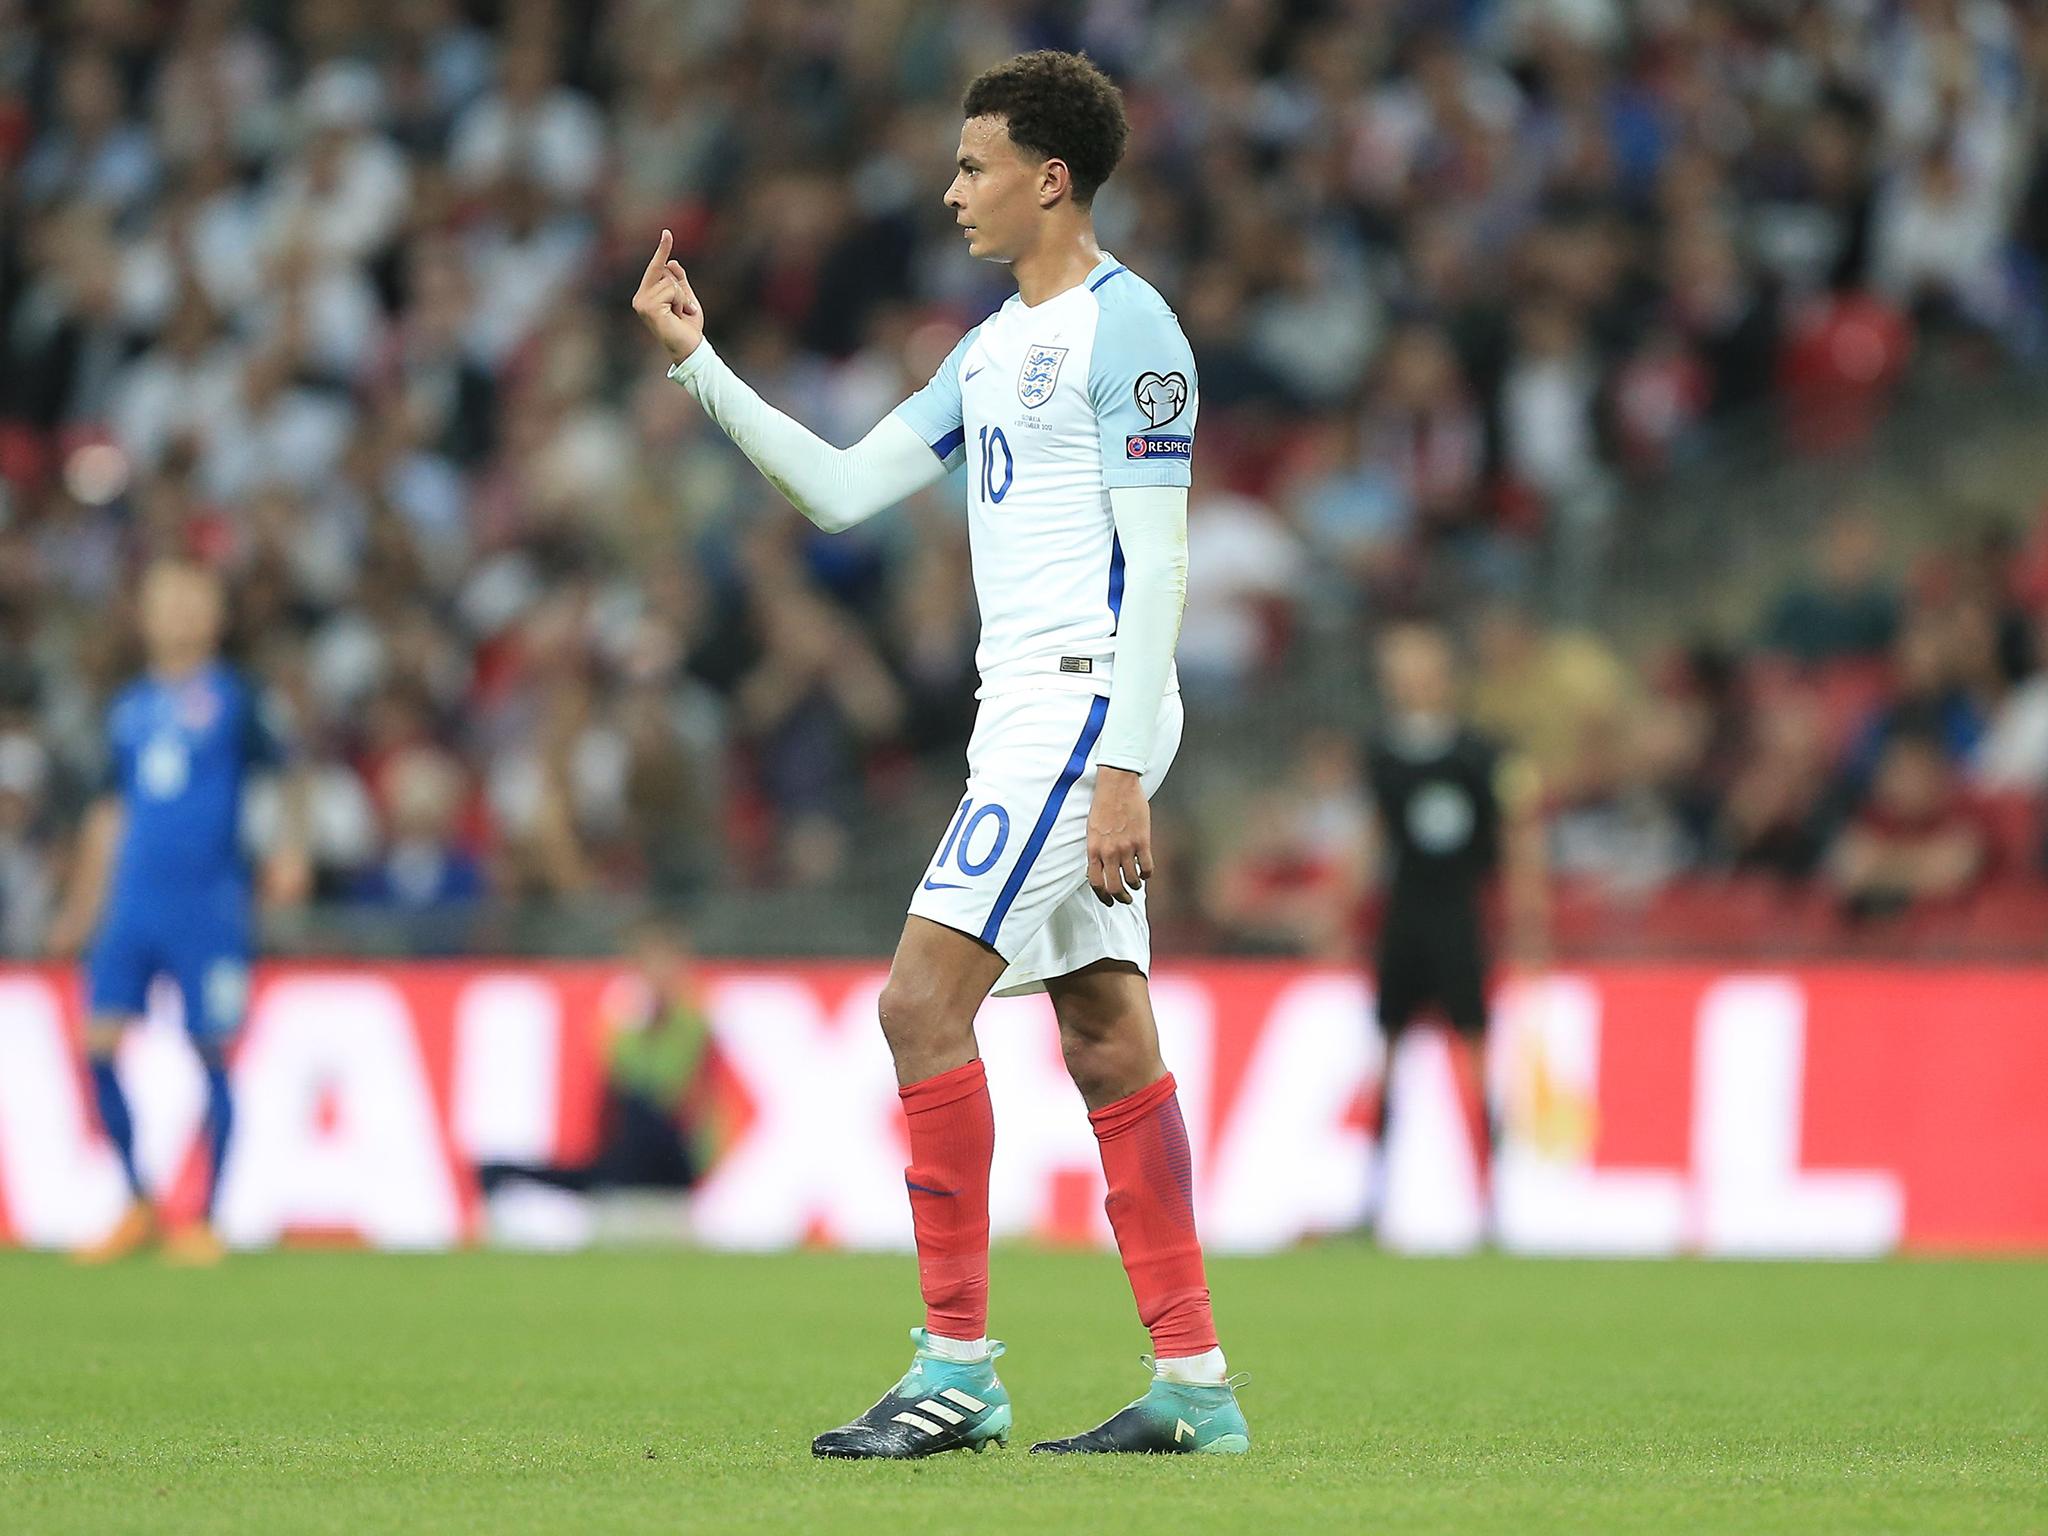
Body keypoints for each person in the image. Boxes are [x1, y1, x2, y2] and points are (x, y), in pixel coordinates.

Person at [632, 51, 1245, 1458]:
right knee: (1104, 1032)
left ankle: (956, 1369)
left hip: (1081, 711)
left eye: (974, 165)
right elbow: (844, 492)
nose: (951, 188)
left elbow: (1157, 565)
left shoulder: (1130, 329)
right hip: (1031, 713)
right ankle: (1195, 1383)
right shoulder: (985, 349)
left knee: (919, 1003)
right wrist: (699, 361)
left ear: (1050, 177)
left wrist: (1122, 766)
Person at [46, 560, 310, 1265]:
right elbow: (108, 813)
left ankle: (211, 1217)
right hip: (133, 901)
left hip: (208, 900)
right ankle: (137, 1200)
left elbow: (285, 774)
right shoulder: (128, 707)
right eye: (165, 601)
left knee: (210, 1049)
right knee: (95, 1044)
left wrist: (289, 848)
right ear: (145, 615)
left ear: (216, 615)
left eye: (194, 600)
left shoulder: (239, 698)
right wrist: (82, 905)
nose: (180, 614)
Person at [1363, 623, 1546, 1232]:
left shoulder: (1480, 753)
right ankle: (1374, 1199)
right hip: (1404, 917)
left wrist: (1528, 922)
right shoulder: (1382, 754)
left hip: (1459, 918)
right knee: (1387, 1049)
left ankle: (1494, 1203)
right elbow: (1371, 841)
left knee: (1474, 1052)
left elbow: (1519, 839)